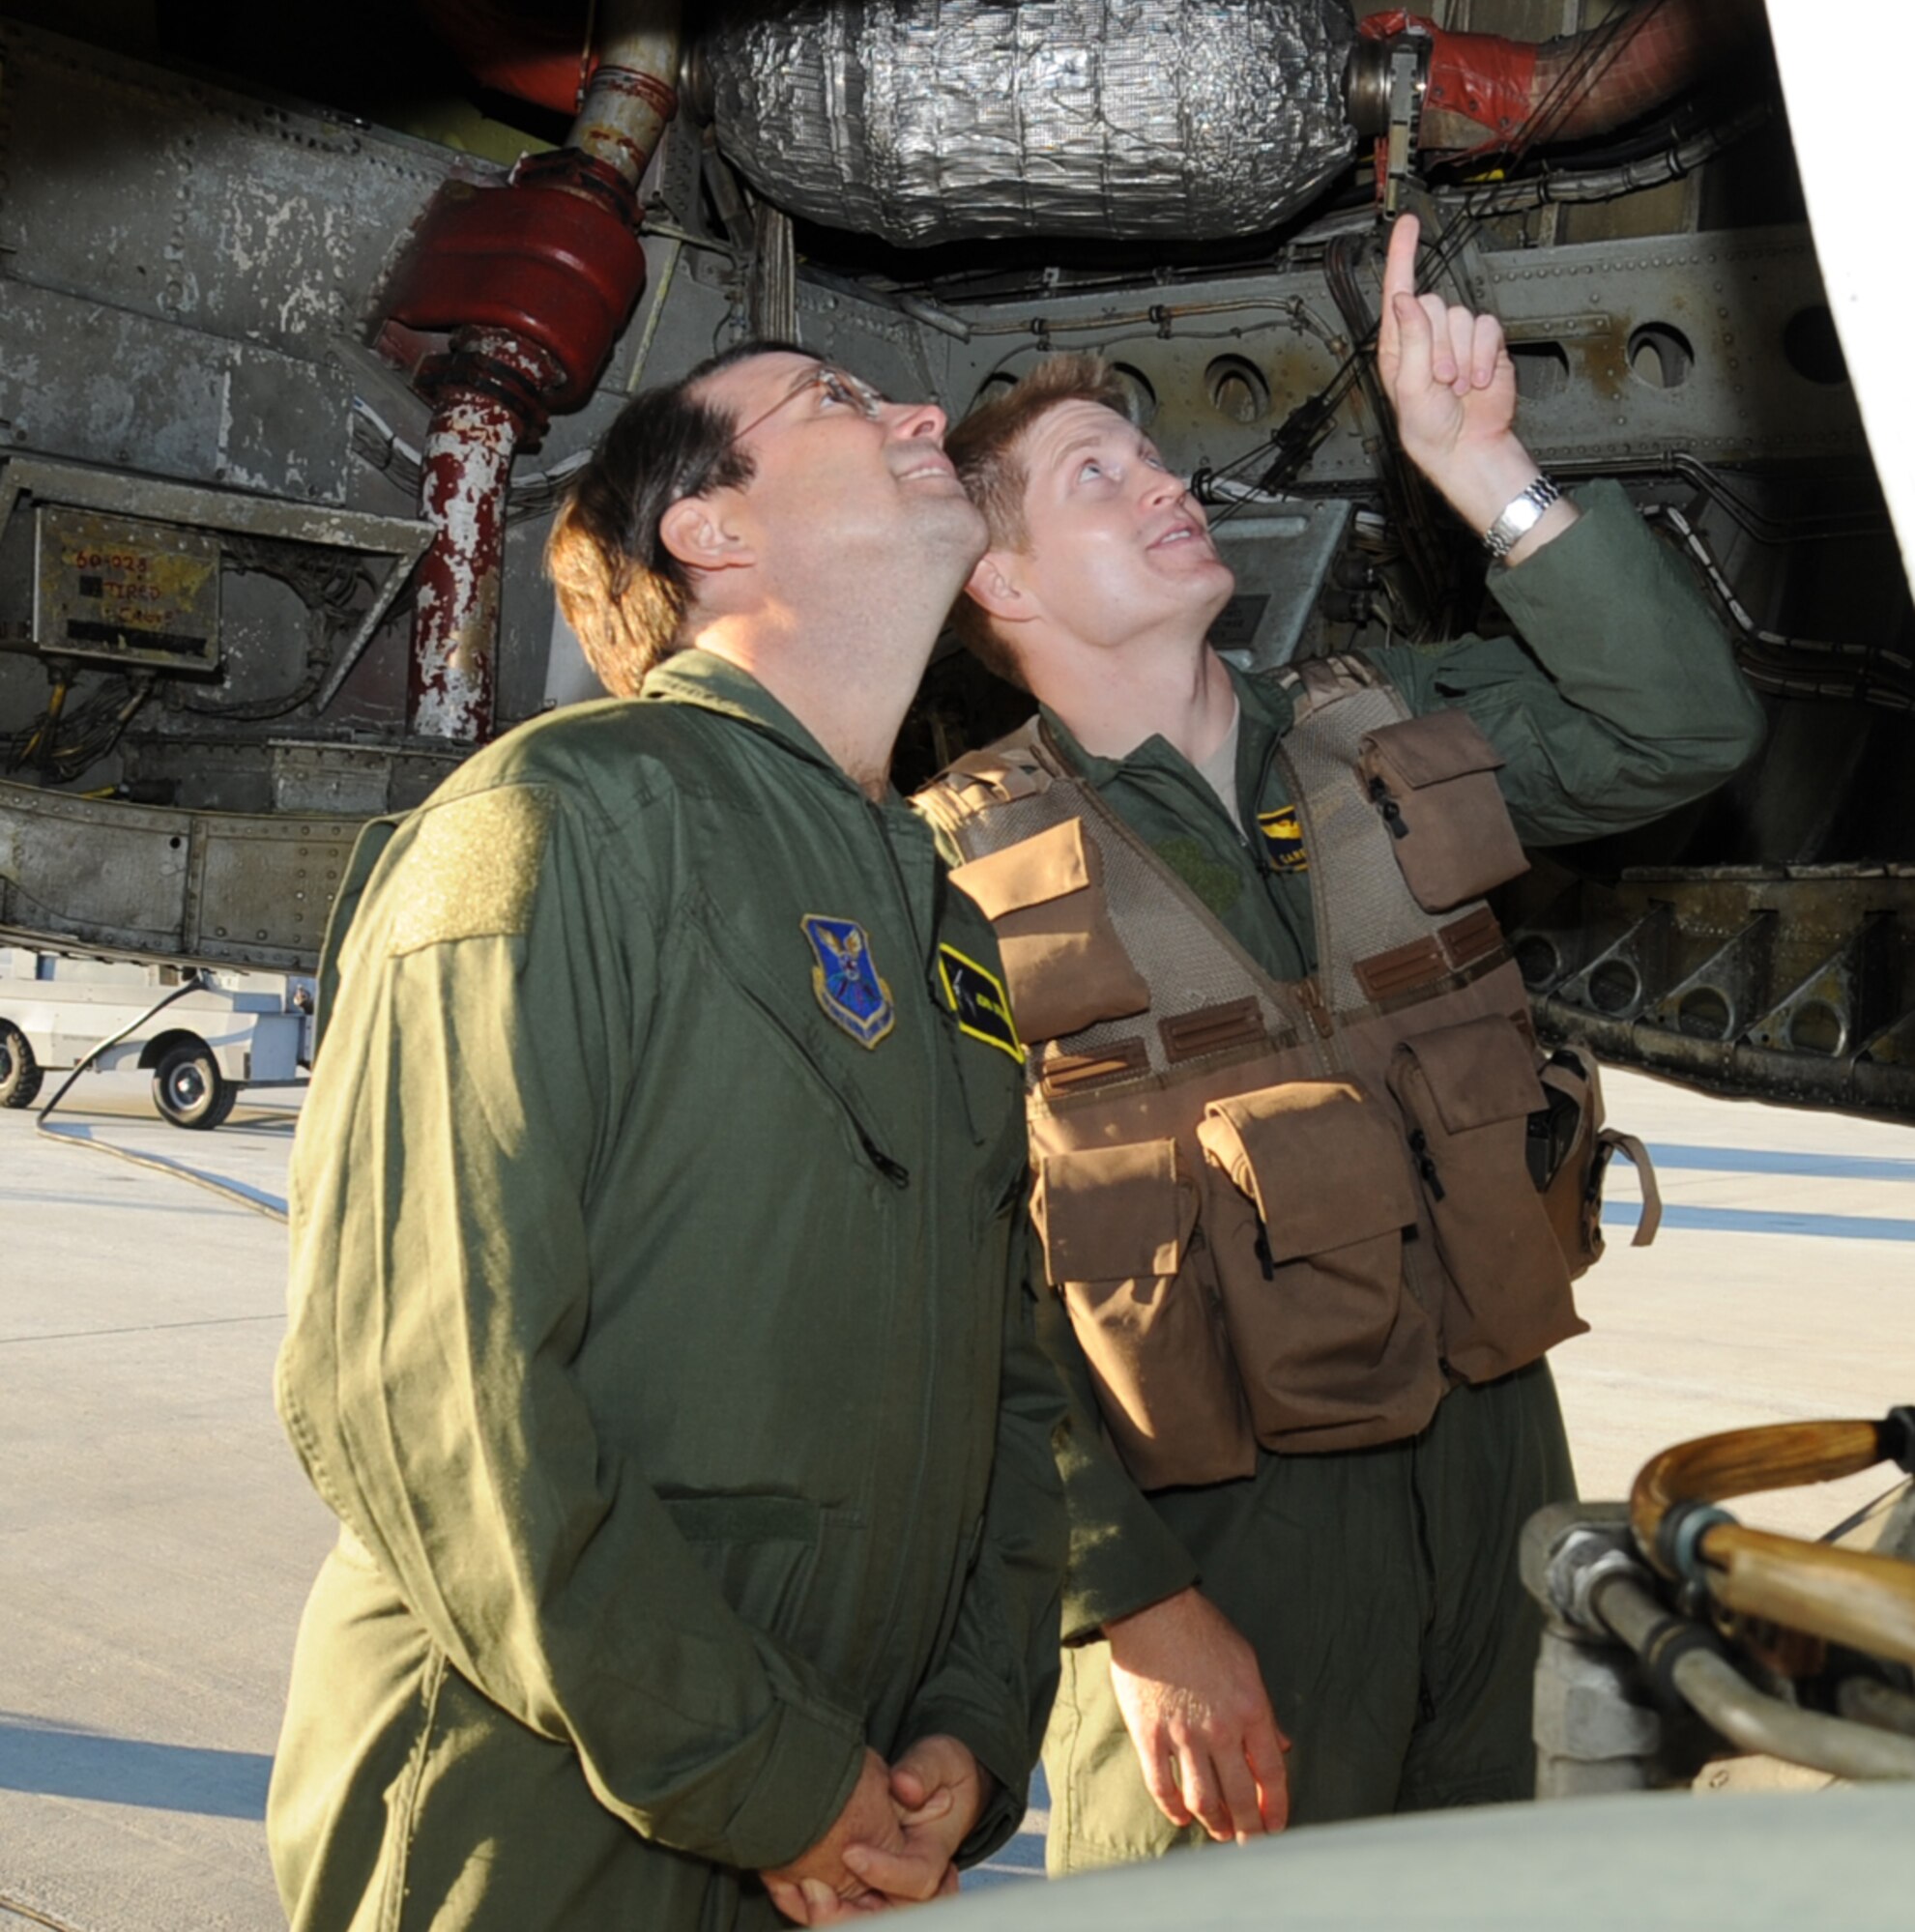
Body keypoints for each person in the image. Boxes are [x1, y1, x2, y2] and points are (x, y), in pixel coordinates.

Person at [914, 213, 1765, 1870]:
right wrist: (1137, 1605)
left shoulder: (1380, 728)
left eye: (1157, 462)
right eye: (1099, 475)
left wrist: (1486, 467)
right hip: (1232, 1526)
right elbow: (953, 1303)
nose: (1168, 485)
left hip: (1496, 1461)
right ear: (994, 581)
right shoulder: (947, 872)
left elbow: (1686, 725)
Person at [268, 342, 1066, 1932]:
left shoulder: (938, 915)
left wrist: (966, 1732)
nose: (922, 416)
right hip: (547, 1817)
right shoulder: (558, 817)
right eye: (839, 399)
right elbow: (420, 1375)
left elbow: (1013, 1380)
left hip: (851, 1808)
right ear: (708, 529)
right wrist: (758, 1771)